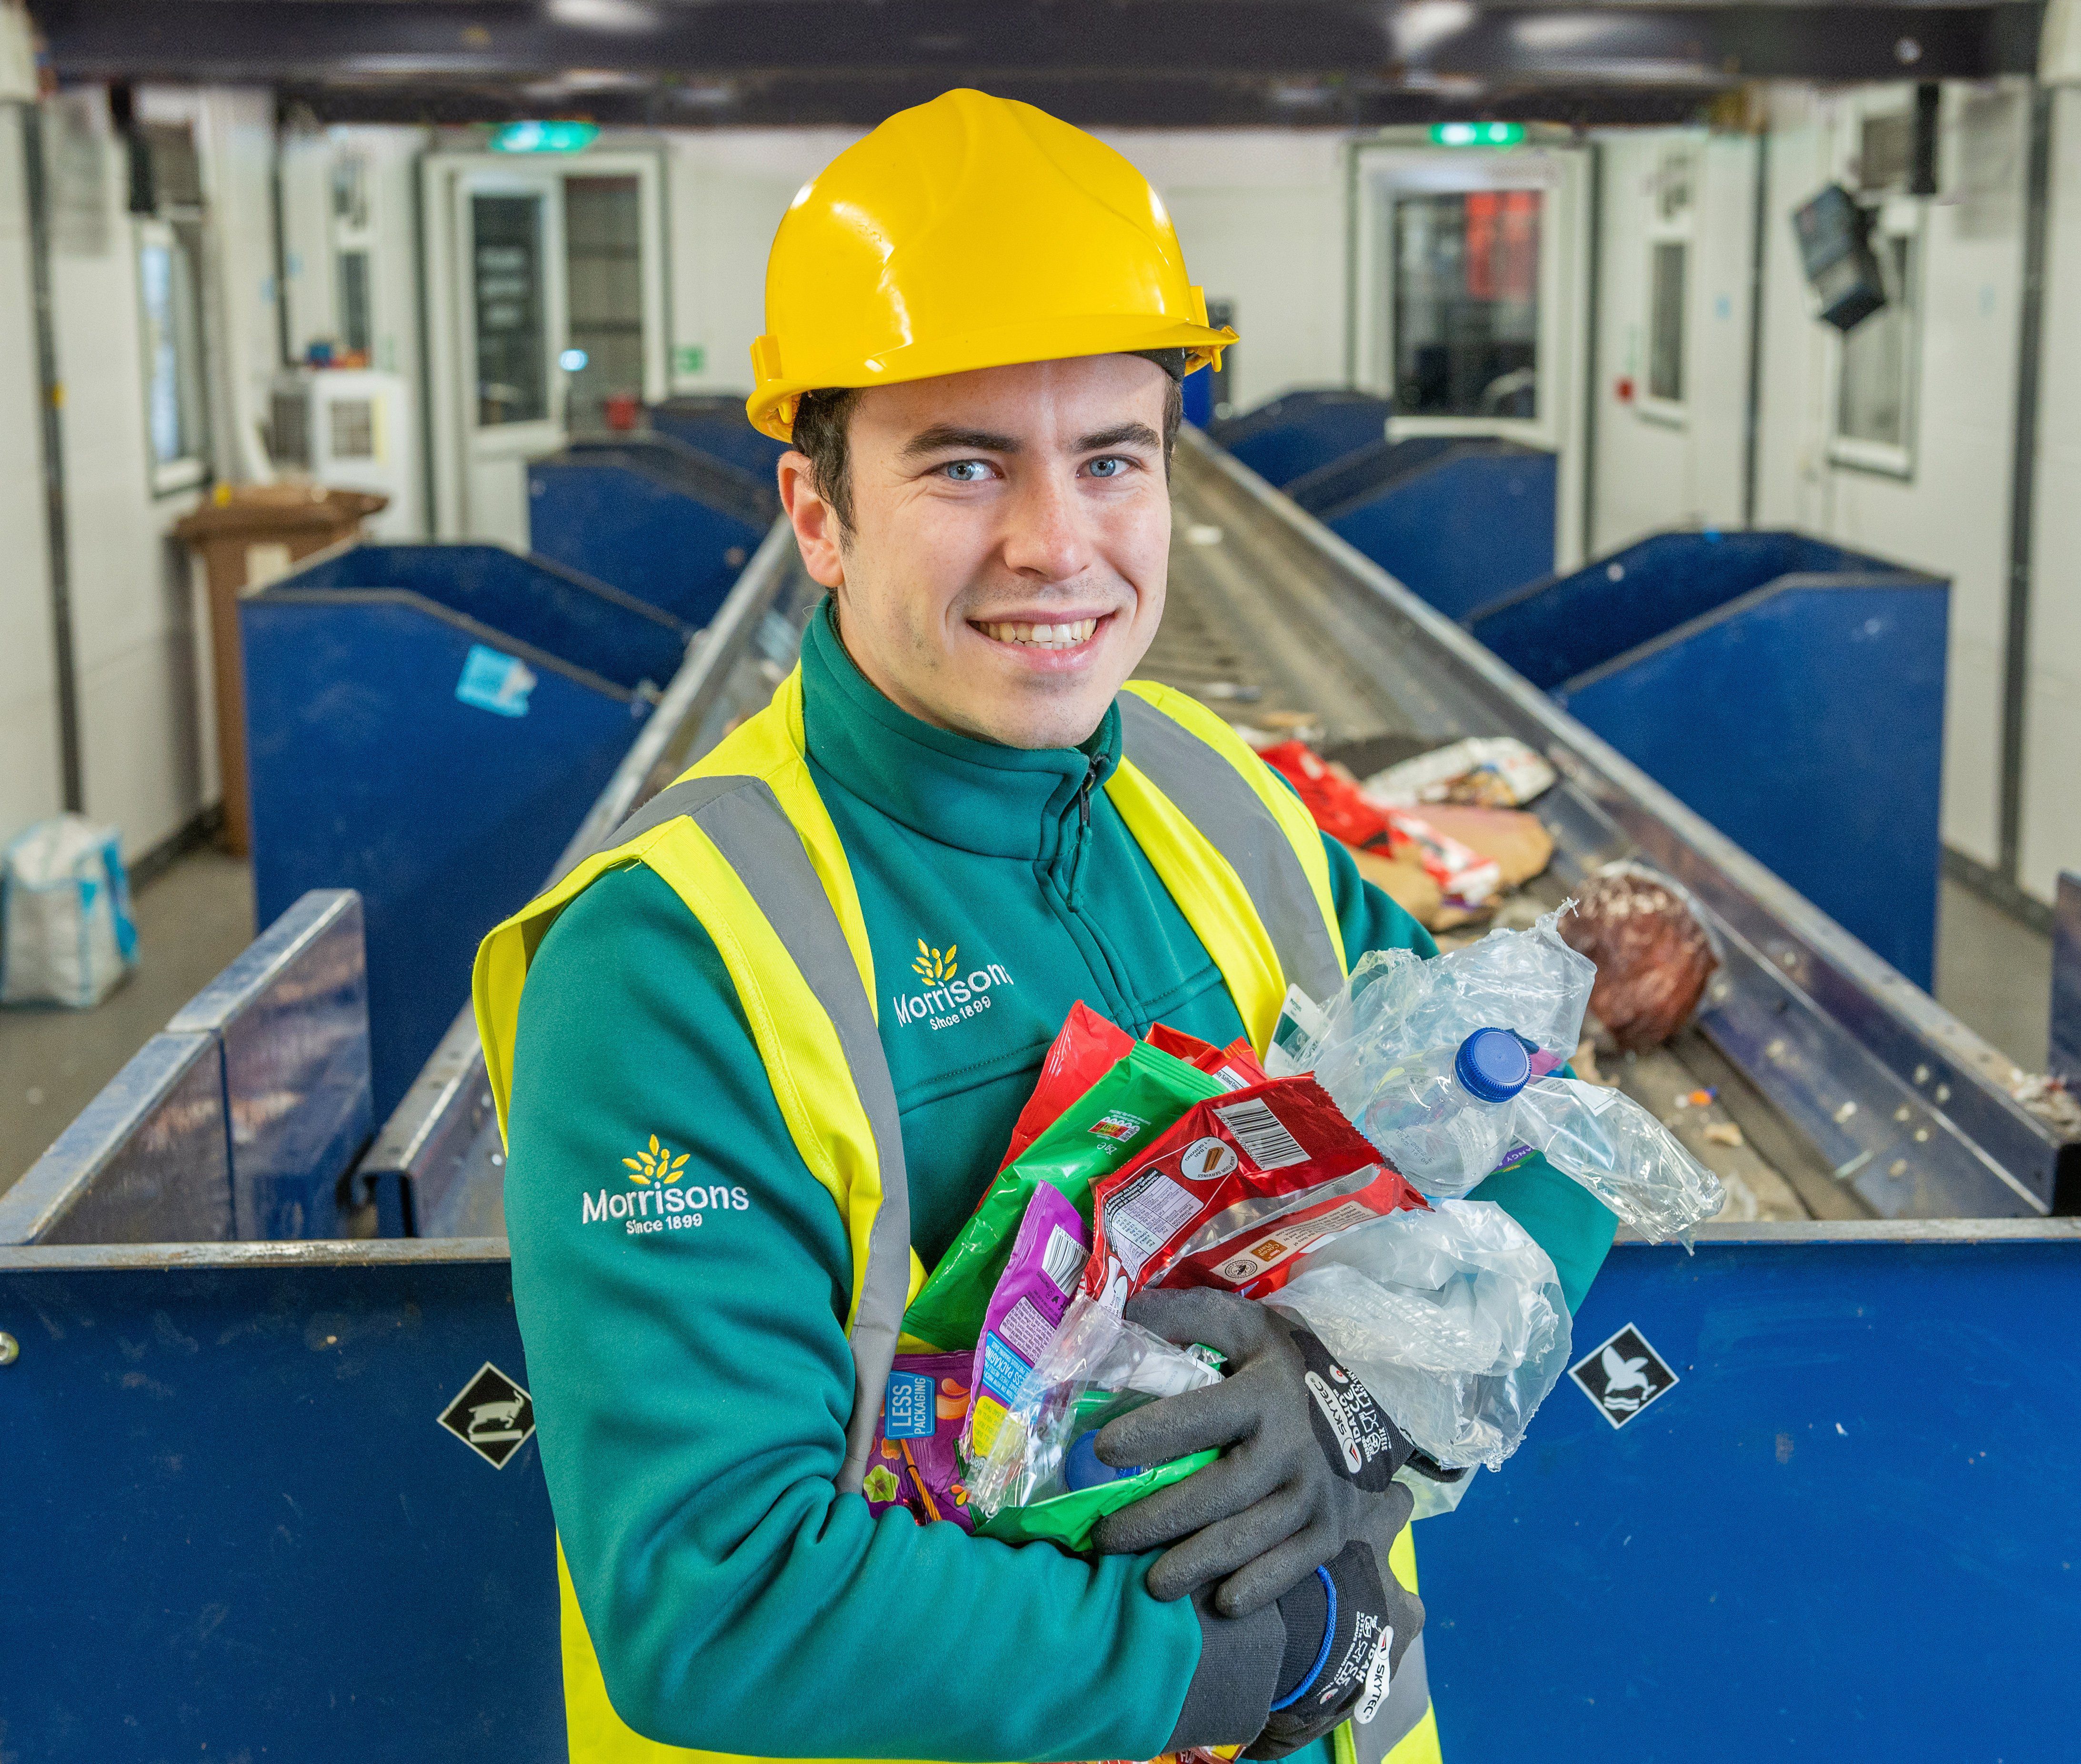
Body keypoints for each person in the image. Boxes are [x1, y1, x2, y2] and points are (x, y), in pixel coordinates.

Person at [474, 88, 1617, 1764]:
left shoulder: (1211, 799)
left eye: (1110, 459)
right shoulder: (679, 960)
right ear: (815, 510)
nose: (1056, 544)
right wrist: (1261, 1667)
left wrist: (1356, 1396)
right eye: (962, 463)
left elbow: (1547, 1141)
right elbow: (715, 1597)